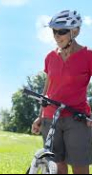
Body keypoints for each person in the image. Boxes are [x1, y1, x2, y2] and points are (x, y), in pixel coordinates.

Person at [32, 10, 92, 174]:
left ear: (75, 31)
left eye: (62, 31)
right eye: (54, 31)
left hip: (77, 118)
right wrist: (40, 115)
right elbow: (47, 89)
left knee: (80, 167)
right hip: (51, 117)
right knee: (57, 165)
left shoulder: (88, 56)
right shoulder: (50, 57)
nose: (57, 36)